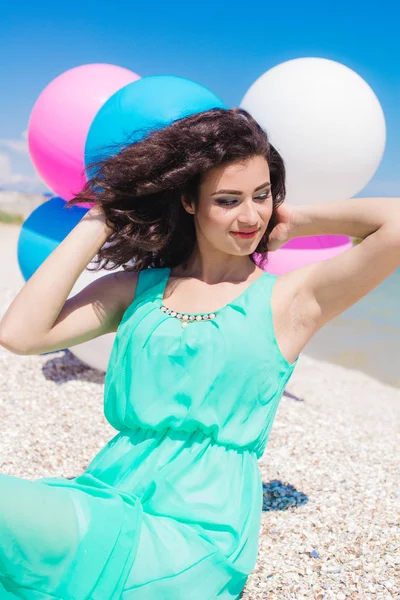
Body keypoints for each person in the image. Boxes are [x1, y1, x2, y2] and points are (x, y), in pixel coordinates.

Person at [0, 107, 399, 600]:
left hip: (200, 535)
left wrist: (296, 221)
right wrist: (100, 219)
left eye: (262, 195)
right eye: (228, 200)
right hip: (109, 493)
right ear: (189, 202)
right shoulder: (135, 291)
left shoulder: (289, 300)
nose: (250, 216)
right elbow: (20, 334)